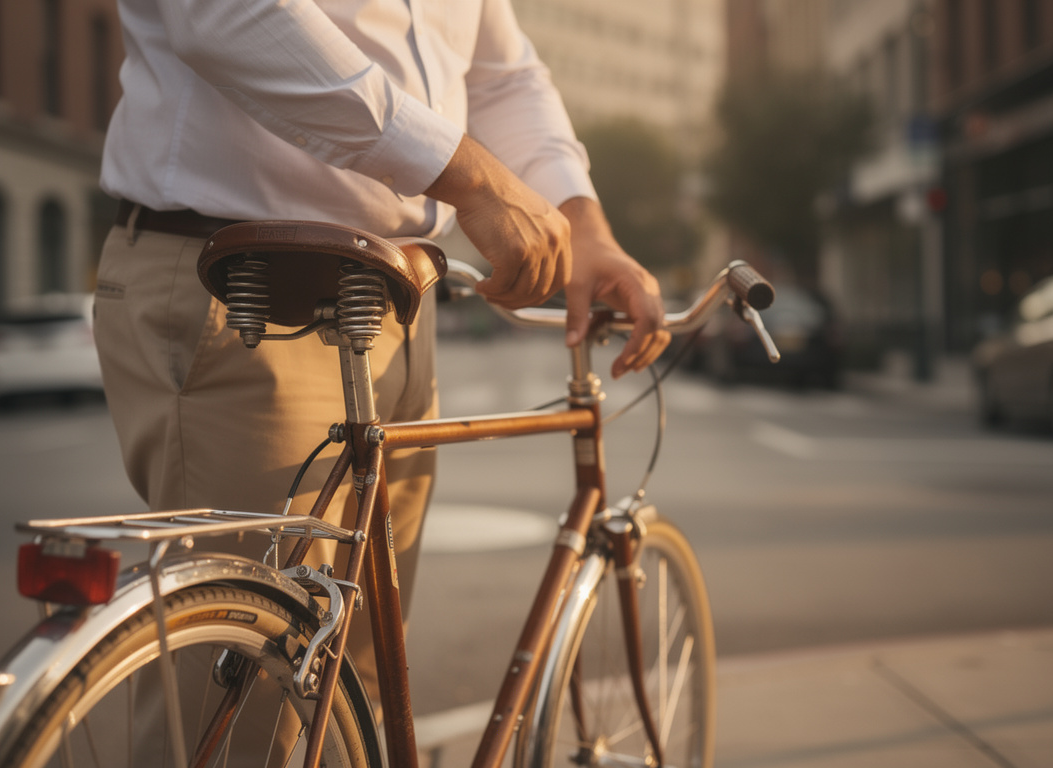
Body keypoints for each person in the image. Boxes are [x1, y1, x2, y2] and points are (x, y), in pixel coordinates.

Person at [92, 0, 671, 715]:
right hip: (245, 287)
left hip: (392, 292)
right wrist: (475, 179)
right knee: (249, 706)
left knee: (350, 693)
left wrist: (583, 224)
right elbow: (227, 12)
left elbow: (500, 75)